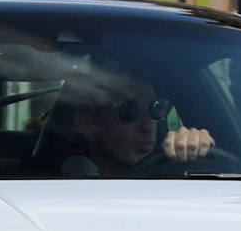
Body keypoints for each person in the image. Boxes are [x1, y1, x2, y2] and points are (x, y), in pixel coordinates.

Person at [37, 63, 214, 177]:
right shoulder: (59, 195)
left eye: (155, 107)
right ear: (88, 125)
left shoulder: (176, 182)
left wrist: (196, 151)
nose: (148, 125)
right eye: (127, 110)